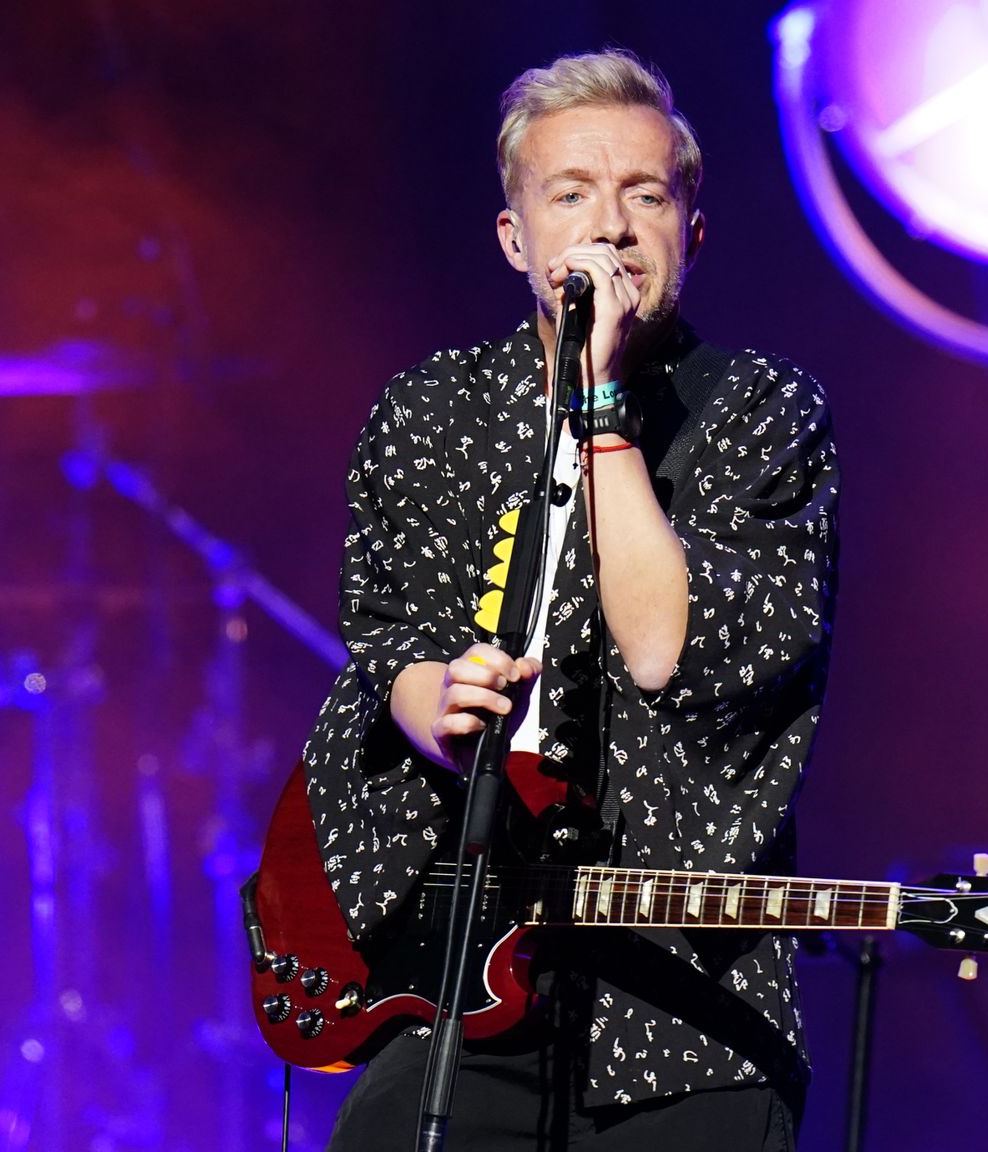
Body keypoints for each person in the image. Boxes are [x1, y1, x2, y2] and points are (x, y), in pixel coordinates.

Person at [302, 49, 838, 1149]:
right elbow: (379, 644)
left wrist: (595, 401)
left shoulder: (760, 413)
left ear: (691, 231)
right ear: (515, 241)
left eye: (646, 195)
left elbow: (664, 650)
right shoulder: (427, 412)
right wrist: (424, 696)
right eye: (571, 195)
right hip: (454, 986)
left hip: (686, 1016)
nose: (611, 227)